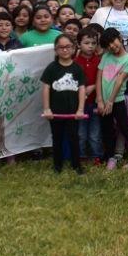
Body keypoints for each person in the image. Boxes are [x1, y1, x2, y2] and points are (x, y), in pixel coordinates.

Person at [98, 28, 128, 170]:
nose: (112, 46)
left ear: (119, 38)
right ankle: (110, 157)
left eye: (113, 41)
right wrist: (100, 100)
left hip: (117, 100)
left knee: (124, 127)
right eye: (108, 45)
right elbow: (99, 76)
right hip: (103, 100)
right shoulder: (106, 56)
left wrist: (111, 101)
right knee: (107, 129)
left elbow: (119, 81)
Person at [41, 34, 86, 174]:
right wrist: (47, 108)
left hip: (73, 113)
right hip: (56, 113)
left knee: (74, 138)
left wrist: (80, 110)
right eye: (61, 47)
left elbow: (82, 89)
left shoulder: (77, 68)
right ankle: (57, 165)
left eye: (68, 47)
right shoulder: (51, 68)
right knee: (57, 138)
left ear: (73, 49)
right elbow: (46, 88)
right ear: (56, 50)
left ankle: (76, 165)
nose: (65, 50)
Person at [74, 28, 102, 164]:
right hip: (79, 104)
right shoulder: (74, 62)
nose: (90, 46)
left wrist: (94, 86)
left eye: (93, 43)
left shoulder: (100, 61)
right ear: (79, 44)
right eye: (86, 43)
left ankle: (96, 155)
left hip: (95, 102)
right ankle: (81, 155)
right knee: (80, 133)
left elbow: (104, 79)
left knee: (95, 133)